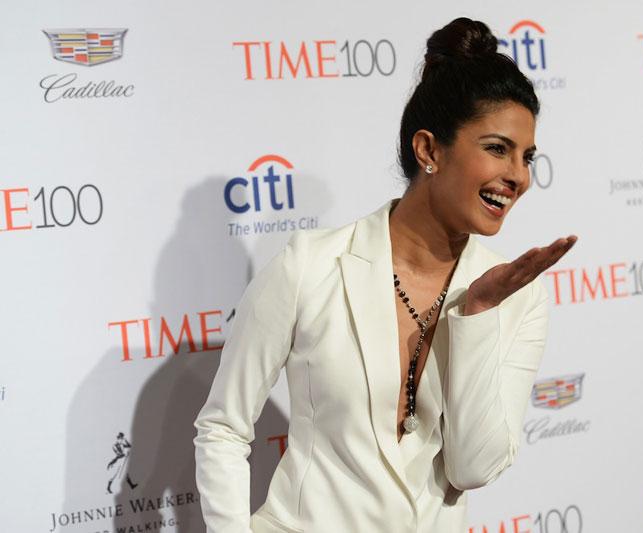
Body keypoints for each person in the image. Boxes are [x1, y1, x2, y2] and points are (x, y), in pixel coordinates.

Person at [194, 17, 577, 533]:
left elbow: (472, 468)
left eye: (527, 156)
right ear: (429, 151)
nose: (519, 176)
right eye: (496, 148)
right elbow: (223, 428)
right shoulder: (312, 264)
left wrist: (478, 316)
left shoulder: (517, 297)